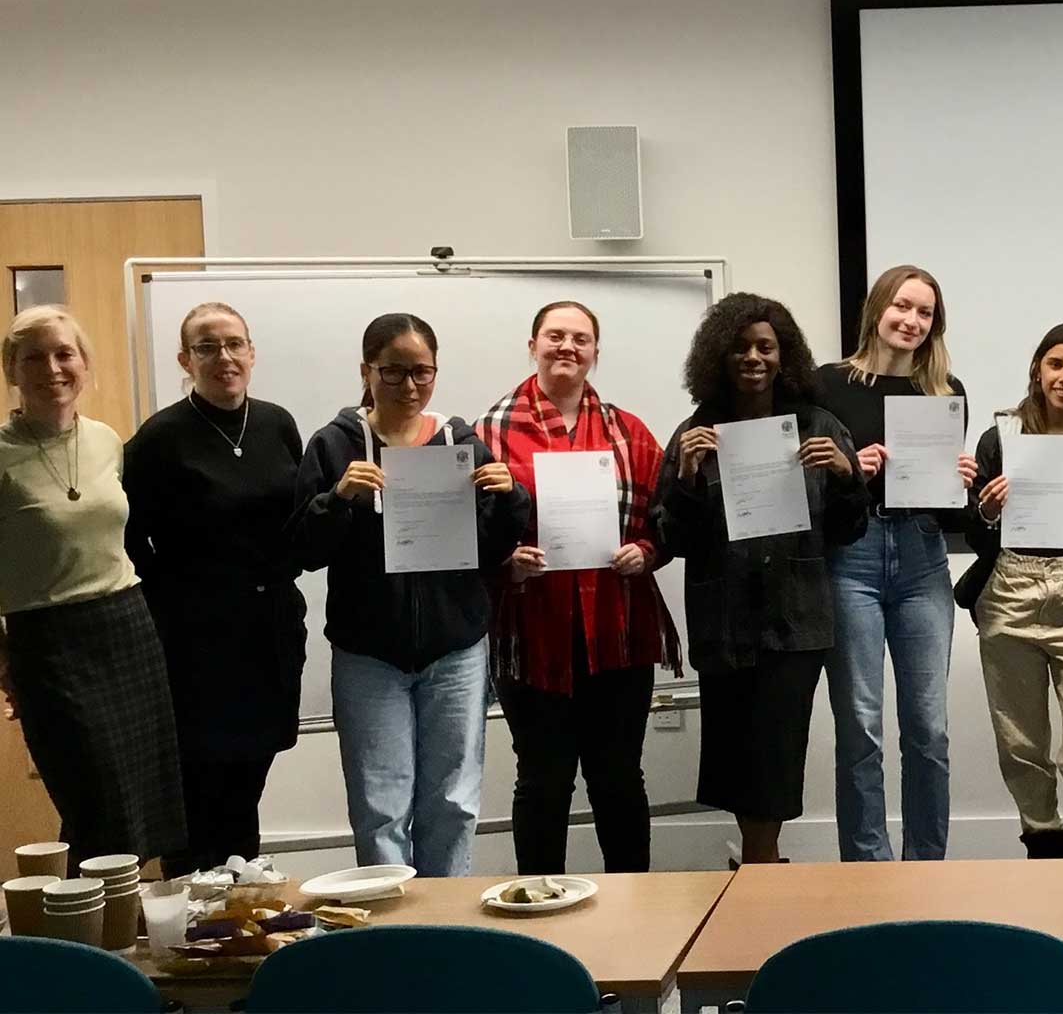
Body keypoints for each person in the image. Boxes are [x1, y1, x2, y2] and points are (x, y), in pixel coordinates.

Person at [288, 313, 529, 877]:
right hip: (369, 655)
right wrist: (338, 499)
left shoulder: (459, 440)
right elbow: (303, 548)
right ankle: (391, 932)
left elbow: (491, 551)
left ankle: (445, 926)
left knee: (453, 801)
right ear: (367, 372)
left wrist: (510, 496)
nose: (410, 386)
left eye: (422, 372)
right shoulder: (333, 445)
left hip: (456, 651)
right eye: (393, 372)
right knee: (380, 807)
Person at [653, 292, 867, 864]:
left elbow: (848, 531)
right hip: (724, 618)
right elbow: (672, 540)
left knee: (776, 748)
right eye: (741, 347)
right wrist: (690, 479)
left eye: (766, 347)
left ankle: (760, 864)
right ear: (718, 357)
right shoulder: (695, 432)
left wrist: (847, 477)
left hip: (795, 617)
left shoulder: (819, 426)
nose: (754, 357)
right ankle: (758, 862)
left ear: (784, 355)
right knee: (731, 751)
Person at [475, 300, 678, 875]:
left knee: (618, 777)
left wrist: (647, 552)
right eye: (555, 336)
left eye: (580, 338)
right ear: (533, 343)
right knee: (542, 779)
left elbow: (663, 520)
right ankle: (541, 908)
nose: (567, 347)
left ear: (595, 352)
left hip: (617, 628)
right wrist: (504, 564)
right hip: (532, 630)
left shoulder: (630, 430)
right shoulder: (486, 431)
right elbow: (464, 533)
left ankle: (637, 907)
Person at [0, 306, 187, 868]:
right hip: (48, 639)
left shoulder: (107, 440)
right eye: (34, 356)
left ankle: (119, 933)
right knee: (93, 798)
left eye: (65, 353)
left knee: (138, 801)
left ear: (84, 364)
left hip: (127, 625)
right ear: (12, 369)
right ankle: (85, 940)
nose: (52, 368)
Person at [124, 302, 307, 876]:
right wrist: (178, 598)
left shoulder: (277, 423)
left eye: (234, 344)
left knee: (247, 783)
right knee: (199, 790)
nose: (223, 357)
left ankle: (240, 909)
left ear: (251, 353)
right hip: (197, 645)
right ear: (185, 359)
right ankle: (192, 927)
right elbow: (129, 540)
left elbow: (298, 519)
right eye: (207, 347)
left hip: (271, 632)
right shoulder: (159, 438)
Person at [815, 265, 976, 862]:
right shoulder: (827, 384)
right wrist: (848, 466)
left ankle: (925, 865)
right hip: (851, 556)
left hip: (922, 555)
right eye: (902, 307)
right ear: (878, 308)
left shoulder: (945, 390)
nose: (911, 321)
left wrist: (962, 480)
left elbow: (949, 505)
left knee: (928, 729)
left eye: (925, 313)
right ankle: (868, 866)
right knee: (859, 726)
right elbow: (805, 481)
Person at [964, 323, 1063, 858]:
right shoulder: (1000, 439)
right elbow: (971, 526)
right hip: (1011, 589)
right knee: (1021, 744)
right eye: (1056, 365)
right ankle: (1043, 846)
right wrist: (988, 507)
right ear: (1038, 369)